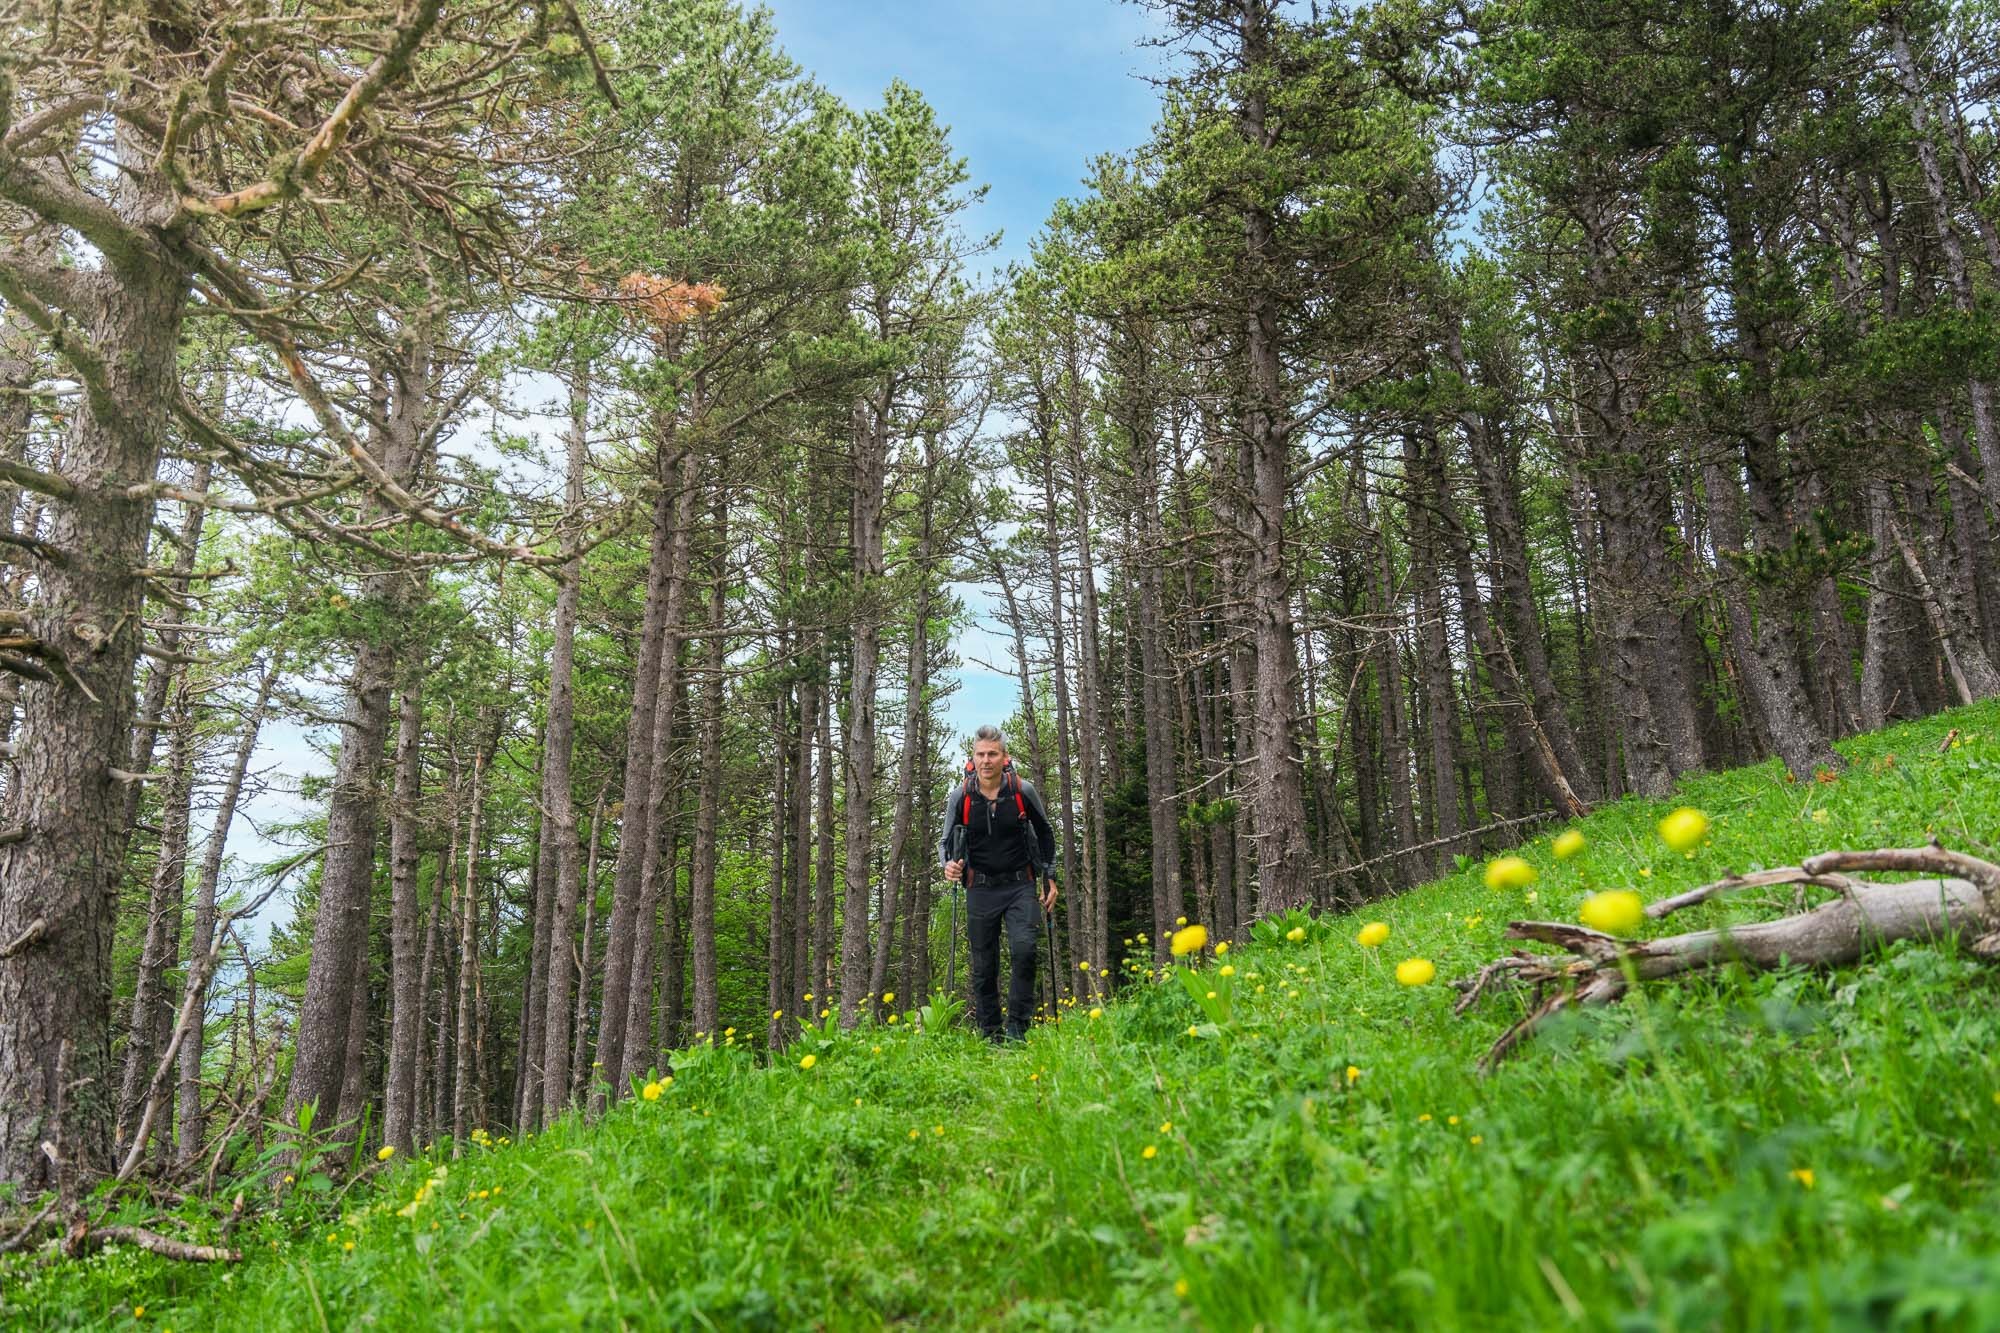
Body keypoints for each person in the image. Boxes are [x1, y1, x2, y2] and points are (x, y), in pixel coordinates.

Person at [938, 725, 1059, 1043]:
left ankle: (1018, 1029)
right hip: (979, 887)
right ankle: (990, 1033)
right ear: (973, 758)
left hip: (1022, 885)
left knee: (1025, 951)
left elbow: (1045, 834)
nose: (986, 760)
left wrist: (1051, 879)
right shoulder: (961, 796)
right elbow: (945, 842)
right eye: (980, 754)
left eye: (992, 754)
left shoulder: (1022, 790)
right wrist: (948, 865)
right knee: (983, 963)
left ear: (1004, 757)